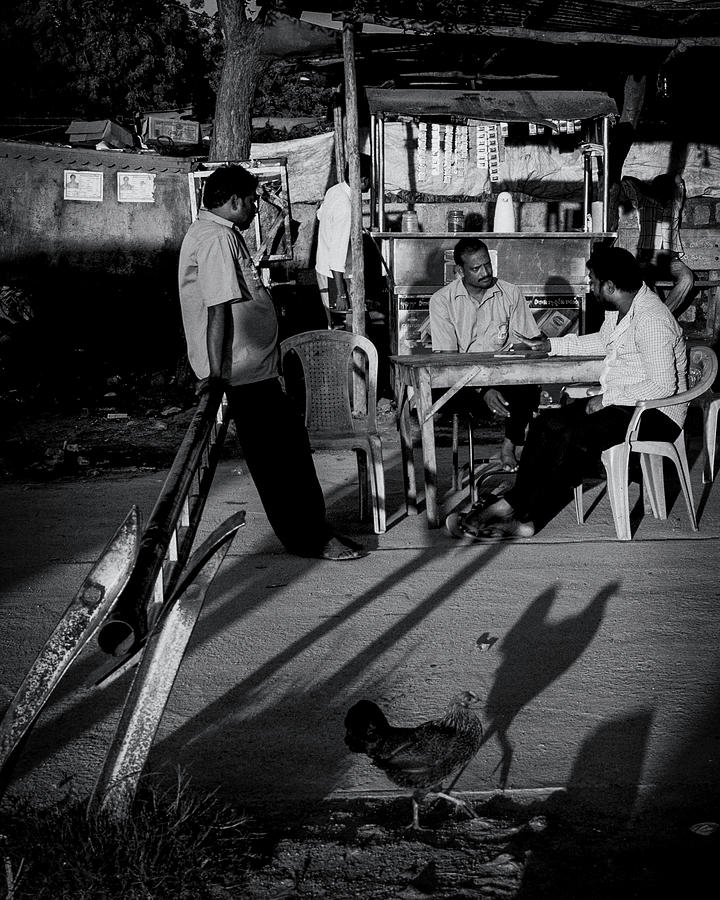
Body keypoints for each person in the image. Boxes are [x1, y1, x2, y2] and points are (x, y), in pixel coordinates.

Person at [178, 164, 367, 561]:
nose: (253, 209)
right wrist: (216, 376)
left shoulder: (221, 235)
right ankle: (311, 538)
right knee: (282, 461)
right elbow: (217, 310)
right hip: (241, 373)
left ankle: (312, 533)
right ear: (233, 202)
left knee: (287, 453)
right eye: (250, 201)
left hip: (252, 369)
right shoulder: (214, 239)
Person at [448, 246, 687, 541]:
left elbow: (663, 387)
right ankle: (515, 507)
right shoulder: (621, 309)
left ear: (610, 286)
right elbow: (602, 341)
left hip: (656, 414)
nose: (590, 286)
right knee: (544, 424)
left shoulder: (652, 319)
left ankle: (523, 516)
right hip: (625, 403)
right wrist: (551, 346)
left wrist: (606, 398)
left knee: (570, 438)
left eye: (593, 281)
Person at [429, 236, 542, 472]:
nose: (485, 272)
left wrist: (508, 367)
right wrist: (482, 390)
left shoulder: (510, 293)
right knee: (438, 390)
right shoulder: (442, 301)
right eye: (476, 268)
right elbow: (449, 361)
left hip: (504, 377)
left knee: (528, 383)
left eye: (487, 264)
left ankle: (509, 446)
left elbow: (525, 344)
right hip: (461, 382)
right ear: (460, 271)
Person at [620, 172, 695, 315]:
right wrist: (647, 186)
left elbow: (678, 179)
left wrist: (669, 179)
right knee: (640, 277)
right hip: (647, 261)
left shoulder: (675, 204)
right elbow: (626, 181)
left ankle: (661, 315)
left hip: (671, 261)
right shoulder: (643, 202)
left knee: (687, 278)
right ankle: (658, 317)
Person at [315, 155, 372, 327]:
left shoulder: (335, 190)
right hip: (337, 275)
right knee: (350, 327)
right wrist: (341, 294)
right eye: (371, 179)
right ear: (362, 180)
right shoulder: (345, 207)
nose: (372, 183)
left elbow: (320, 214)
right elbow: (337, 253)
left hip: (325, 267)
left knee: (336, 325)